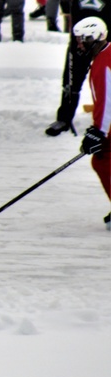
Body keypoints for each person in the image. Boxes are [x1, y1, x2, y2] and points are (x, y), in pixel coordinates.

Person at [46, 0, 111, 137]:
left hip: (106, 43)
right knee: (70, 81)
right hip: (81, 41)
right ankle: (63, 118)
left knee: (106, 82)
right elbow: (66, 5)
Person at [73, 17, 111, 230]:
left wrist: (99, 131)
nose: (79, 44)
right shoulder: (105, 55)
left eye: (82, 40)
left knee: (102, 159)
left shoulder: (103, 63)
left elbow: (107, 102)